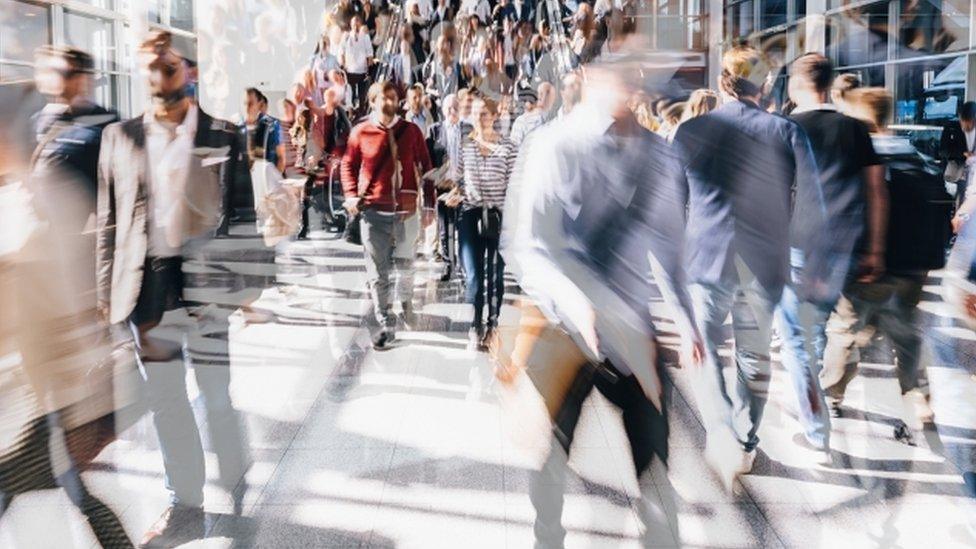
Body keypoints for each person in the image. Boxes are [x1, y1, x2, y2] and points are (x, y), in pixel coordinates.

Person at [501, 53, 702, 548]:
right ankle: (548, 536)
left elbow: (671, 246)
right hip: (560, 327)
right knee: (548, 454)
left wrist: (686, 316)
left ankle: (661, 539)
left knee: (654, 458)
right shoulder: (551, 146)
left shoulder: (660, 156)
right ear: (588, 81)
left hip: (631, 330)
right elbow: (527, 245)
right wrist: (580, 304)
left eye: (631, 80)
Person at [96, 30, 251, 547]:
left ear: (189, 72)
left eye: (169, 65)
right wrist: (105, 293)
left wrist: (245, 287)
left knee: (216, 396)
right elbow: (109, 223)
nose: (160, 75)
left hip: (207, 287)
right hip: (148, 291)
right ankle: (185, 500)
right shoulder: (119, 138)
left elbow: (243, 219)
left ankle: (234, 469)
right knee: (167, 400)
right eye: (151, 67)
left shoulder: (225, 136)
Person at [672, 46, 827, 489]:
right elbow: (813, 205)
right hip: (763, 263)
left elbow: (670, 205)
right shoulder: (787, 133)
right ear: (763, 85)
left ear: (724, 82)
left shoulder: (691, 131)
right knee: (754, 359)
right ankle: (744, 439)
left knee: (702, 349)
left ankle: (719, 428)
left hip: (705, 259)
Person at [821, 87, 941, 439]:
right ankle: (916, 395)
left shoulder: (865, 159)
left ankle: (830, 395)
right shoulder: (915, 154)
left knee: (845, 332)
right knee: (905, 337)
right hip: (913, 267)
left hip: (870, 265)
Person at [785, 53, 886, 455]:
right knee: (822, 327)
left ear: (797, 84)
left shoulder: (786, 128)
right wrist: (875, 248)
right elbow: (878, 190)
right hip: (844, 243)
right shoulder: (857, 130)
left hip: (797, 243)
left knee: (798, 340)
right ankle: (820, 407)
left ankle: (815, 428)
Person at [341, 81, 433, 349]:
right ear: (373, 101)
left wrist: (428, 207)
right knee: (378, 273)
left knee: (405, 268)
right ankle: (385, 322)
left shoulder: (412, 131)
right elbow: (348, 164)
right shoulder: (361, 132)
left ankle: (405, 303)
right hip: (373, 213)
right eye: (384, 97)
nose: (389, 102)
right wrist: (350, 195)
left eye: (393, 97)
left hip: (406, 213)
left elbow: (426, 168)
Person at [448, 97, 518, 349]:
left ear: (493, 116)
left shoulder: (509, 148)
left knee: (495, 273)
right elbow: (457, 178)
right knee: (475, 274)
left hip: (499, 217)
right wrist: (456, 193)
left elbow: (514, 186)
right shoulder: (465, 146)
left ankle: (493, 322)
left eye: (484, 114)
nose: (479, 118)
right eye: (476, 114)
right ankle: (475, 325)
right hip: (471, 214)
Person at [428, 94, 464, 279]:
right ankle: (449, 264)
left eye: (455, 107)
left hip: (463, 187)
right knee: (444, 228)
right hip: (443, 186)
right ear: (443, 109)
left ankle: (464, 267)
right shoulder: (434, 130)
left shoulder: (468, 129)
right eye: (449, 107)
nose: (452, 111)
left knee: (462, 227)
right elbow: (428, 160)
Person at [942, 101, 976, 217]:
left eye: (970, 123)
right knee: (960, 204)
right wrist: (963, 154)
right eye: (963, 122)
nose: (966, 127)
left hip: (974, 175)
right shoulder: (951, 127)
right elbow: (943, 151)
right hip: (957, 175)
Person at [242, 88, 285, 174]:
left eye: (251, 104)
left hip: (266, 179)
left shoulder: (272, 125)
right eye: (245, 103)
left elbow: (282, 157)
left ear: (260, 104)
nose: (247, 108)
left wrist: (275, 180)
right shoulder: (238, 127)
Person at [340, 16, 374, 114]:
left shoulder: (365, 36)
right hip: (349, 71)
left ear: (360, 24)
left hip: (362, 70)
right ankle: (351, 113)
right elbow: (341, 52)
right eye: (354, 23)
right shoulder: (346, 36)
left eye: (358, 23)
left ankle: (361, 113)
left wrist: (369, 68)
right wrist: (343, 65)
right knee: (350, 94)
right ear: (351, 25)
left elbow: (369, 53)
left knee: (362, 95)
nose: (356, 25)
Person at [508, 82, 555, 147]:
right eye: (522, 101)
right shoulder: (520, 121)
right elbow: (515, 143)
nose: (523, 103)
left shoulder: (544, 117)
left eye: (526, 100)